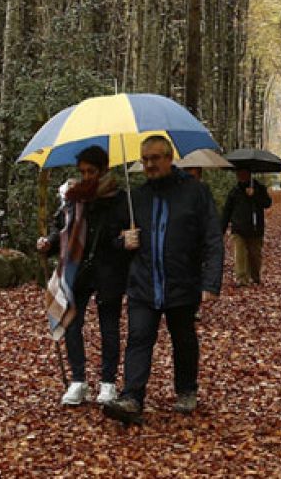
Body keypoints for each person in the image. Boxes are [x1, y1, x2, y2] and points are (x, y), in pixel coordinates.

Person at [102, 136, 224, 425]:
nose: (150, 165)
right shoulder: (136, 197)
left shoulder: (196, 192)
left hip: (183, 282)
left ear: (170, 158)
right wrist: (123, 240)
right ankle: (132, 397)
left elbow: (212, 239)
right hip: (143, 284)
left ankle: (186, 390)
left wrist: (211, 282)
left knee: (183, 338)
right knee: (139, 338)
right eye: (145, 160)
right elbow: (108, 238)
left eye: (156, 158)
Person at [36, 145, 129, 407]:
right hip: (77, 269)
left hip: (109, 269)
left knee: (108, 326)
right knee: (71, 323)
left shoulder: (119, 199)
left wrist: (124, 241)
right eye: (83, 171)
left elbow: (121, 234)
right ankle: (78, 380)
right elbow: (62, 230)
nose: (87, 176)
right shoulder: (74, 197)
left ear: (103, 170)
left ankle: (108, 383)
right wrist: (49, 243)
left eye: (92, 171)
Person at [220, 168, 273, 286]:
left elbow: (268, 203)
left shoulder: (259, 188)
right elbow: (226, 212)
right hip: (238, 229)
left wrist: (255, 195)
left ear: (249, 174)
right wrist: (221, 230)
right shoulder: (234, 191)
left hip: (255, 229)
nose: (240, 176)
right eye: (239, 173)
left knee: (255, 256)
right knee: (240, 254)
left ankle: (255, 277)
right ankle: (241, 279)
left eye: (243, 173)